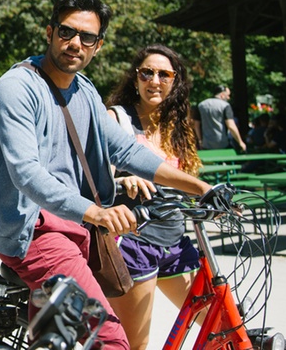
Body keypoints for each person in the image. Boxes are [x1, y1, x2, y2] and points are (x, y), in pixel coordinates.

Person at [0, 0, 211, 350]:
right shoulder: (17, 88)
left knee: (51, 341)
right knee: (111, 340)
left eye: (87, 37)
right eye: (66, 32)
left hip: (80, 228)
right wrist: (98, 212)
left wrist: (200, 188)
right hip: (36, 232)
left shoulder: (85, 91)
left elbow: (125, 149)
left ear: (98, 46)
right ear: (50, 33)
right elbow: (26, 172)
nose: (75, 43)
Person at [105, 44, 203, 349]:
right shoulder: (118, 119)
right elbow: (95, 177)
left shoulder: (176, 125)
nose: (154, 80)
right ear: (135, 78)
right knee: (136, 344)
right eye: (146, 72)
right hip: (135, 242)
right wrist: (122, 179)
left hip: (175, 240)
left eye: (164, 74)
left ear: (175, 81)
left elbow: (181, 181)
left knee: (220, 320)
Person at [195, 85, 247, 152]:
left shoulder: (201, 105)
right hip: (222, 144)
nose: (228, 98)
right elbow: (231, 126)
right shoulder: (225, 105)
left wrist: (200, 140)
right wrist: (240, 142)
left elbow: (196, 125)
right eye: (228, 95)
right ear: (222, 95)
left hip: (206, 144)